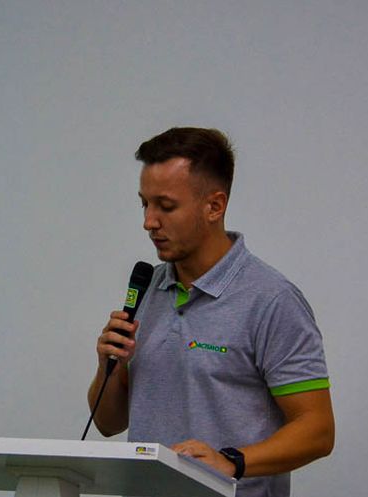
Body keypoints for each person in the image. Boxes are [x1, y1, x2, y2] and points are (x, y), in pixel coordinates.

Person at [87, 127, 334, 497]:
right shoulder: (148, 291)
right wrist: (107, 365)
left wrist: (233, 461)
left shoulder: (271, 300)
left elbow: (318, 429)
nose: (149, 221)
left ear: (215, 206)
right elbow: (108, 424)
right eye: (145, 204)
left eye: (166, 206)